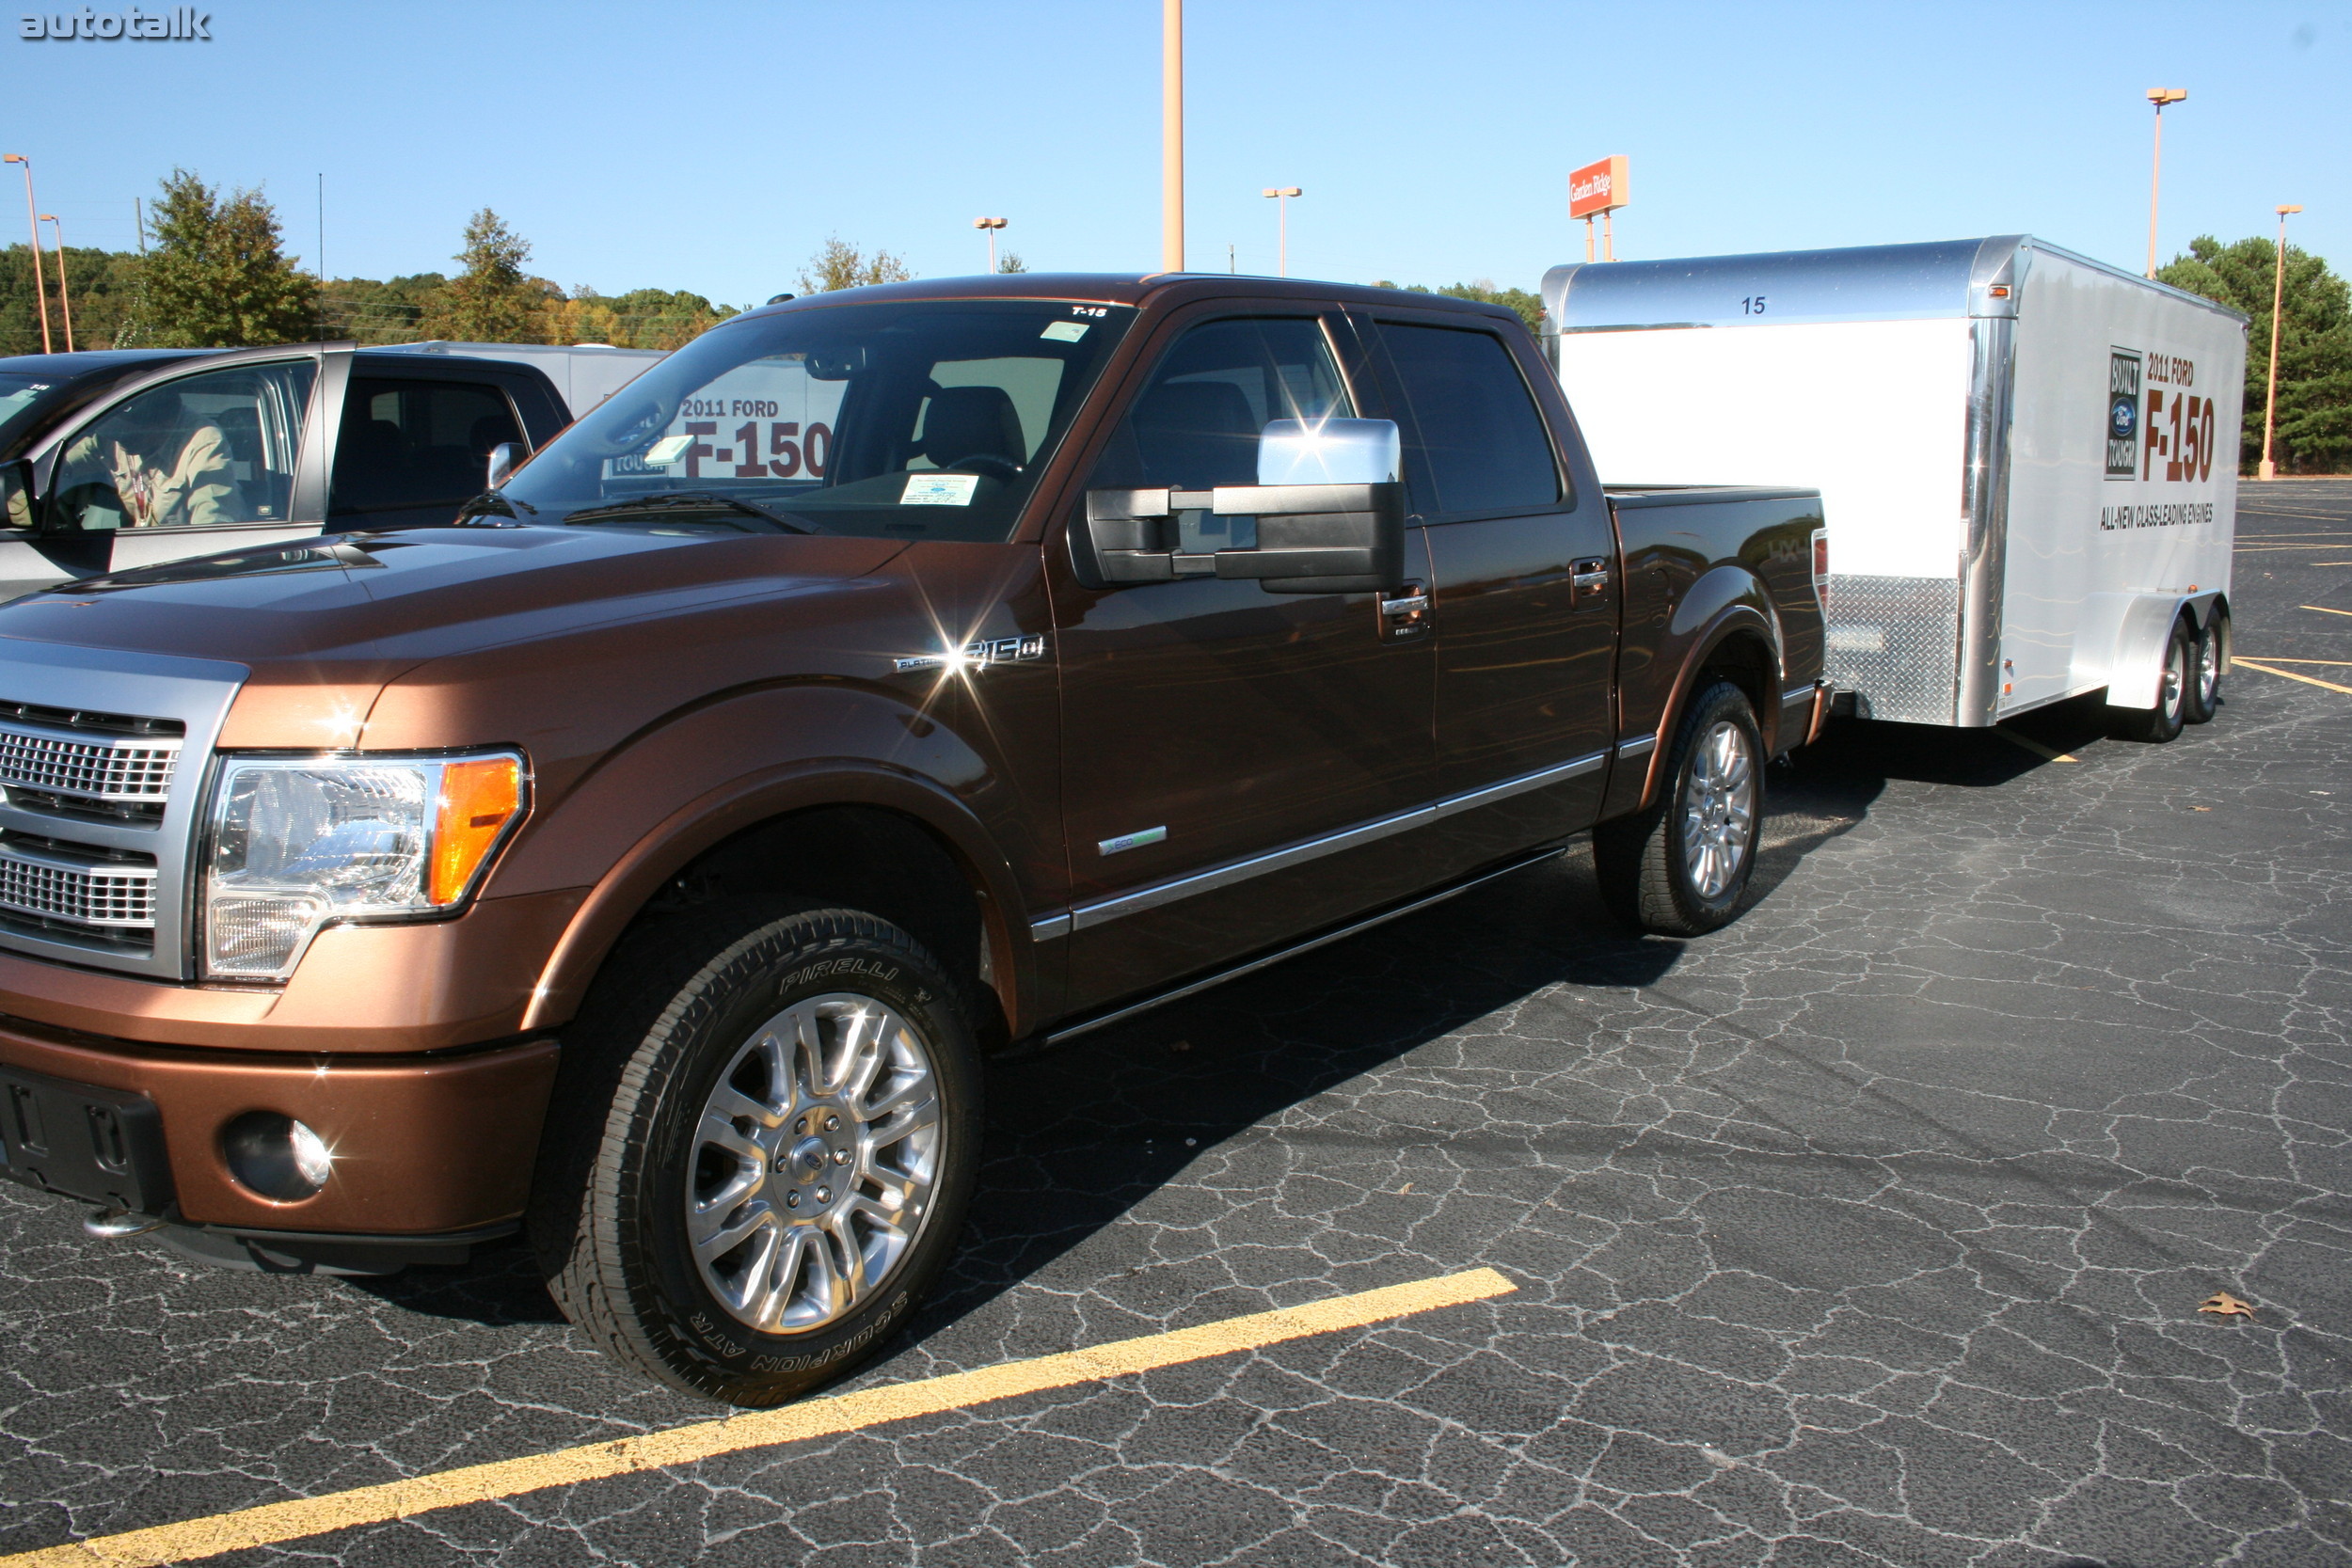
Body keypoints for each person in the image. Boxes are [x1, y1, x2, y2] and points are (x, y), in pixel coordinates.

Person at [58, 395, 234, 530]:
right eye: (117, 431)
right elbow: (61, 464)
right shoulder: (112, 439)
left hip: (176, 555)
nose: (121, 441)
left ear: (167, 424)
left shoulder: (203, 440)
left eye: (131, 433)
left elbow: (212, 516)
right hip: (135, 546)